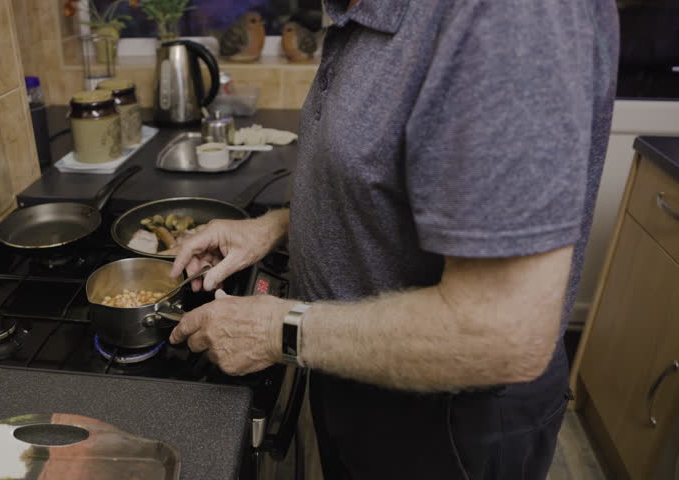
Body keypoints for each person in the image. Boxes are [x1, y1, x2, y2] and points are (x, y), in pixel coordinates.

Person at [169, 0, 619, 478]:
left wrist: (277, 331)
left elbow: (502, 331)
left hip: (446, 422)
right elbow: (392, 174)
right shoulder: (366, 11)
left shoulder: (510, 18)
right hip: (353, 365)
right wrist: (278, 228)